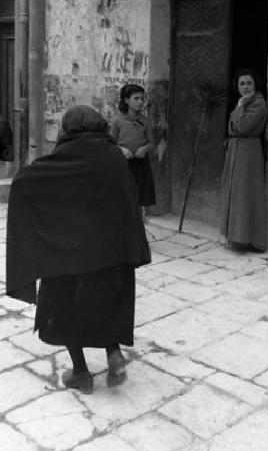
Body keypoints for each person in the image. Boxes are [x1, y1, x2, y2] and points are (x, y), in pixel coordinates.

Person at [6, 105, 150, 394]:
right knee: (106, 304)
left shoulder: (64, 157)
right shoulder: (114, 156)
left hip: (68, 255)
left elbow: (24, 182)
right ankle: (113, 354)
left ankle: (81, 373)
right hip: (112, 253)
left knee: (67, 310)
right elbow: (129, 200)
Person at [220, 68, 267, 252]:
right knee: (234, 191)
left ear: (255, 85)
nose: (245, 87)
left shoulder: (258, 104)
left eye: (249, 83)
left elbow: (242, 126)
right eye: (242, 83)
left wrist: (239, 106)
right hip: (236, 150)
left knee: (245, 194)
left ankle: (247, 238)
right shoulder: (245, 103)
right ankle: (234, 236)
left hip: (248, 153)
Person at [111, 83, 156, 207]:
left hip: (141, 164)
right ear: (126, 100)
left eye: (142, 98)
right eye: (136, 98)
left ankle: (140, 223)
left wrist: (145, 148)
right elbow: (110, 144)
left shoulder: (145, 120)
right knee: (123, 197)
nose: (140, 102)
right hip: (123, 164)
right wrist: (122, 150)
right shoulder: (117, 121)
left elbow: (152, 143)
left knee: (140, 198)